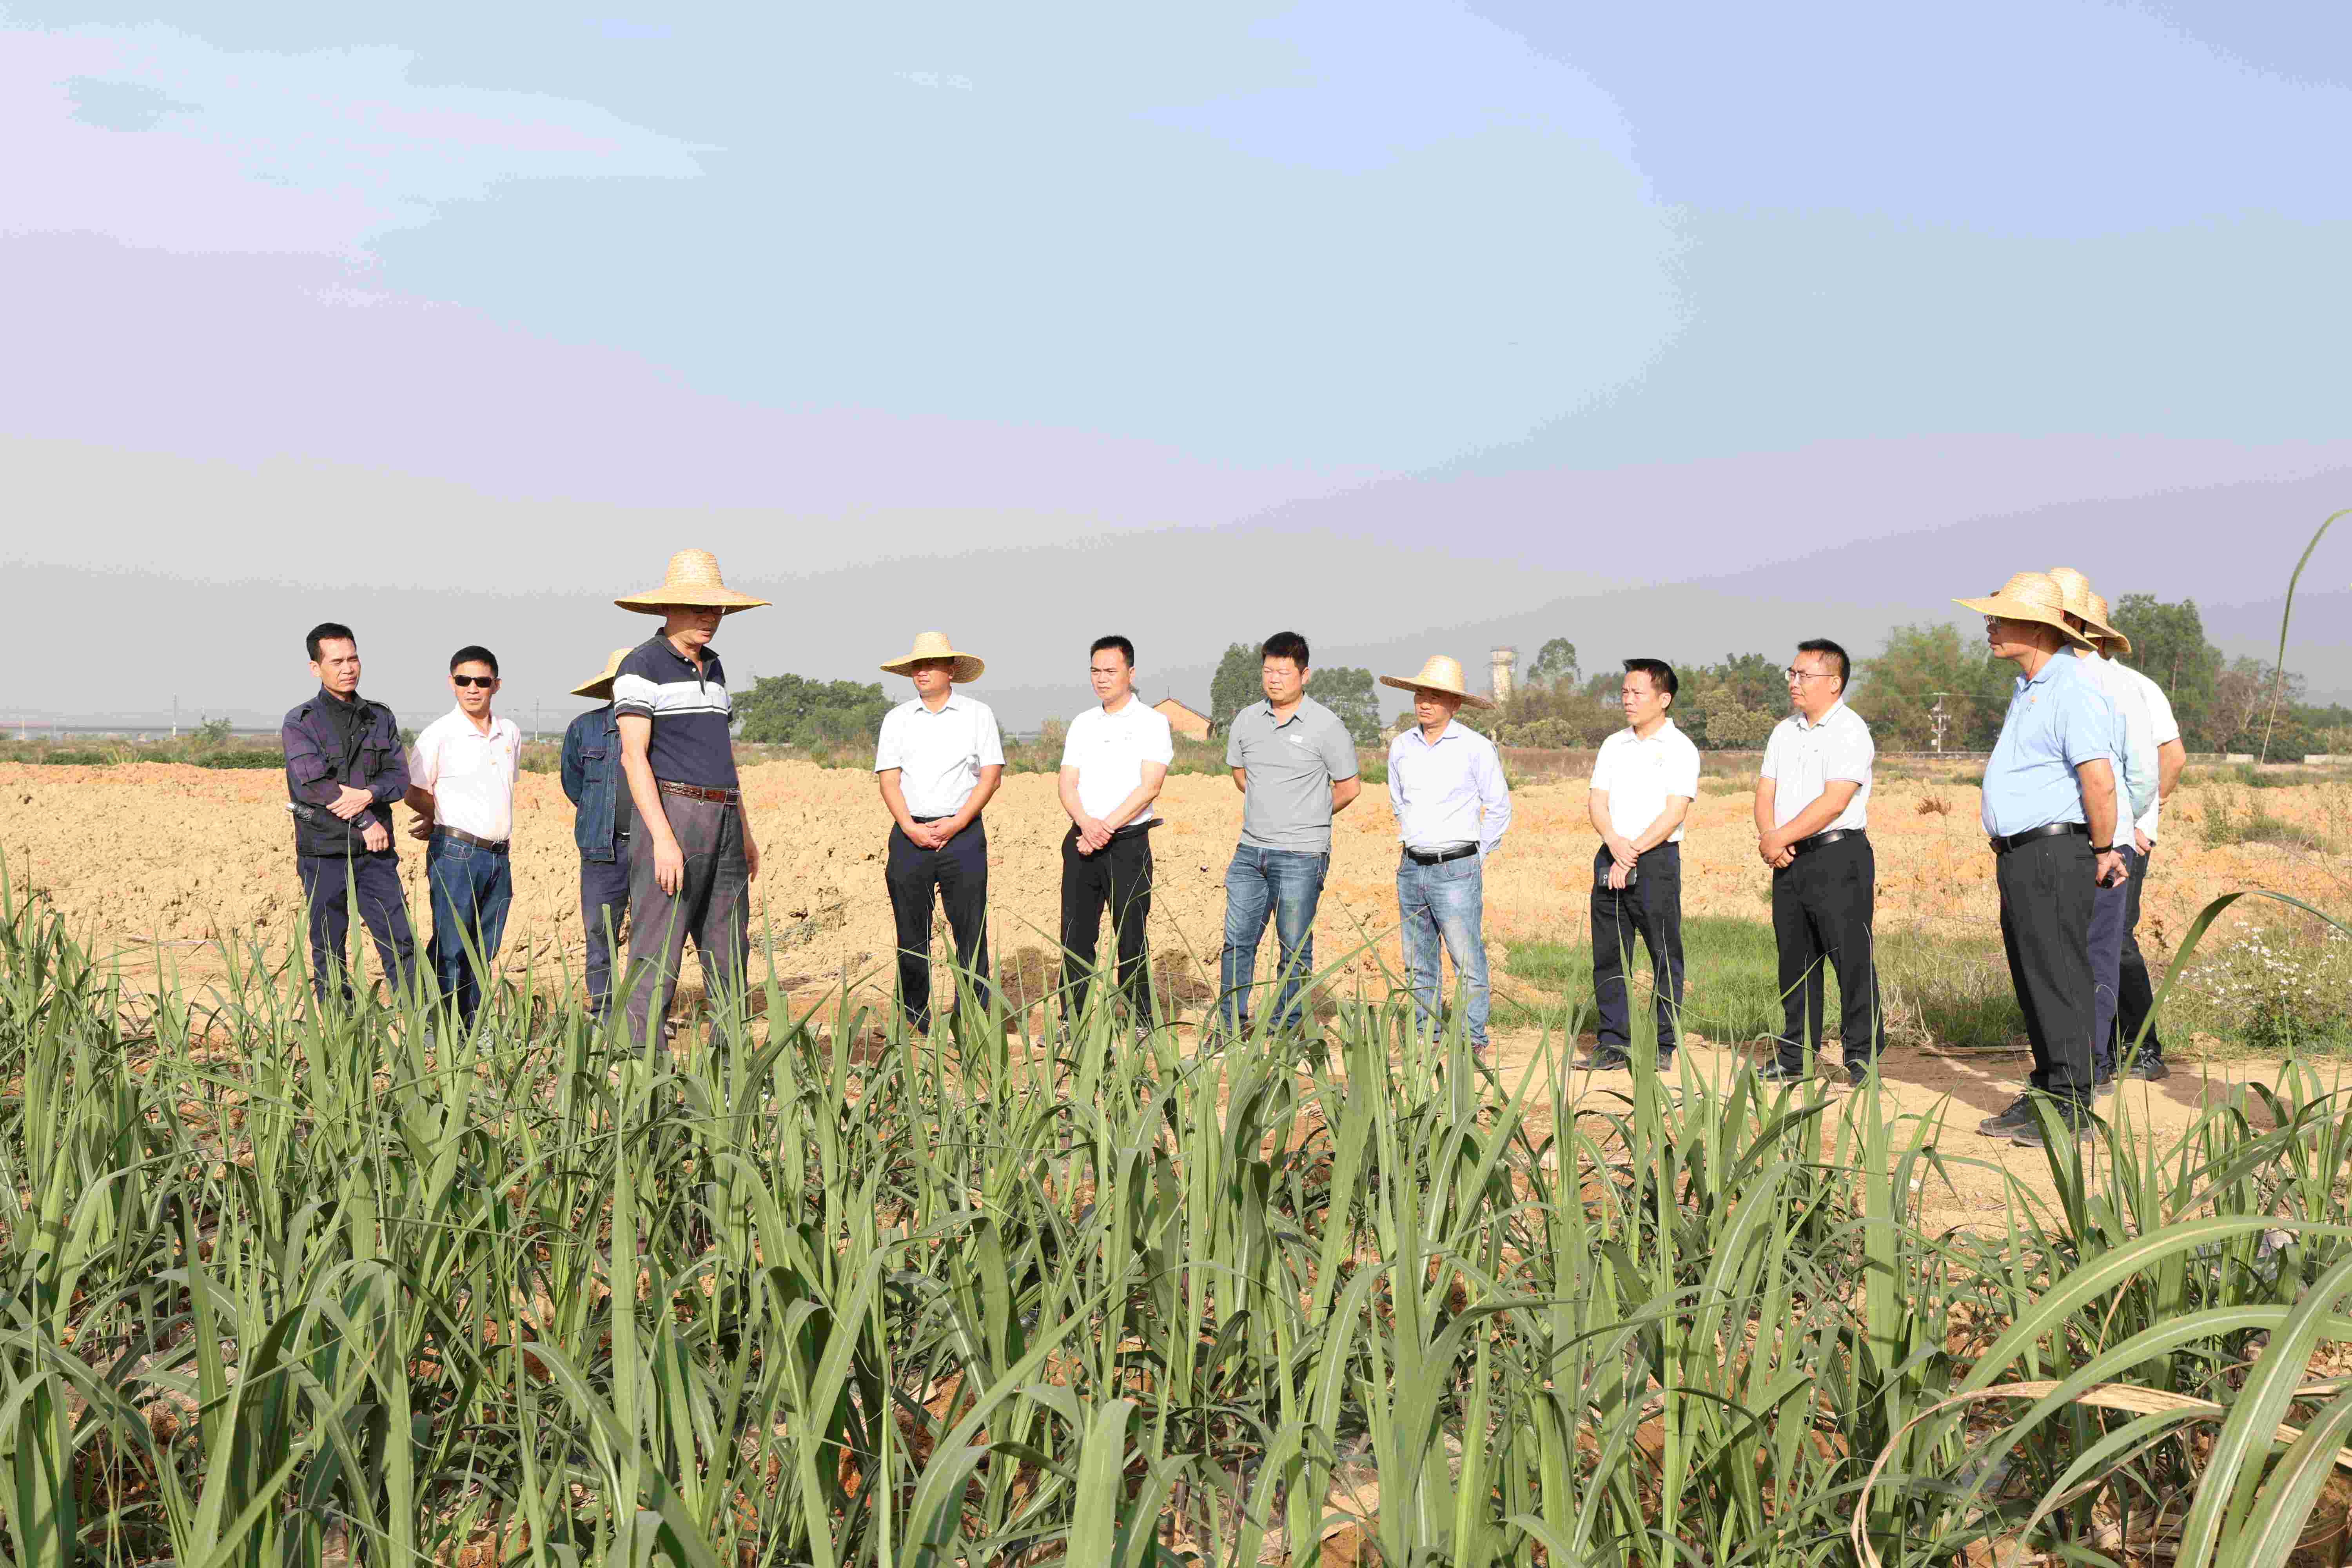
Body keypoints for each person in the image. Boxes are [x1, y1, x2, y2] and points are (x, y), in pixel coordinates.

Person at [1953, 571, 2125, 1147]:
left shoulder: (2070, 688)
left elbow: (2098, 779)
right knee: (2035, 979)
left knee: (2059, 977)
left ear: (2037, 628)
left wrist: (2104, 849)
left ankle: (2073, 1104)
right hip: (2023, 854)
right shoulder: (2030, 689)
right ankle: (2049, 1091)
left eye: (2000, 618)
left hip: (2054, 851)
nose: (1990, 627)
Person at [610, 550, 769, 1049]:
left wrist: (744, 832)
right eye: (698, 606)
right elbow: (634, 757)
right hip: (675, 815)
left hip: (724, 817)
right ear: (667, 607)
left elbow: (723, 754)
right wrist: (663, 839)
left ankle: (732, 1069)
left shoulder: (715, 667)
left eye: (717, 608)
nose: (710, 616)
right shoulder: (641, 665)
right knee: (658, 952)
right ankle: (642, 1071)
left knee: (729, 950)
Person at [1214, 631, 1362, 1043]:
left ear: (1304, 674)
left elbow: (1349, 787)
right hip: (1250, 851)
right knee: (1237, 942)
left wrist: (1309, 816)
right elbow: (1242, 776)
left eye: (1283, 672)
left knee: (1294, 946)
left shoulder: (1327, 726)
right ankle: (1229, 1028)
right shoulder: (1247, 721)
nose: (1274, 679)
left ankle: (1287, 1029)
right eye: (1268, 671)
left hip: (1302, 855)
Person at [2046, 568, 2159, 1092]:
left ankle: (2092, 1062)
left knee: (2098, 953)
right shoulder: (2044, 682)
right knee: (2064, 953)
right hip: (2061, 842)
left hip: (2102, 842)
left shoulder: (2116, 685)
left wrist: (2119, 825)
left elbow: (2144, 772)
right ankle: (2070, 1059)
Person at [1753, 639, 1885, 1085]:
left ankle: (1862, 1059)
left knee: (1851, 959)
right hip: (1789, 860)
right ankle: (1796, 1055)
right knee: (1795, 962)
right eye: (1791, 673)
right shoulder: (1784, 732)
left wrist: (1780, 837)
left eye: (1803, 675)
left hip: (1838, 856)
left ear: (1834, 682)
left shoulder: (1851, 730)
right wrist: (1770, 838)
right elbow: (1766, 791)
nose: (1794, 682)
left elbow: (1835, 801)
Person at [1379, 654, 1510, 1062]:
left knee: (1465, 958)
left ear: (1455, 704)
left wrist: (1474, 856)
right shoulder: (1401, 746)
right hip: (1411, 866)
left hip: (1457, 867)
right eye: (1420, 694)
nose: (1425, 703)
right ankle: (1426, 1036)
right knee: (1418, 961)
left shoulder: (1475, 748)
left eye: (1435, 697)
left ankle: (1473, 1039)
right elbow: (1399, 802)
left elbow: (1499, 808)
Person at [874, 632, 1004, 1034]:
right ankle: (915, 1019)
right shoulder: (897, 719)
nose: (923, 672)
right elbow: (889, 780)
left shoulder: (977, 715)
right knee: (911, 932)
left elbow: (991, 776)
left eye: (931, 664)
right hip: (910, 835)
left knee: (971, 930)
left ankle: (973, 1018)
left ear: (951, 670)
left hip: (962, 835)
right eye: (917, 665)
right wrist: (910, 827)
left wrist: (958, 822)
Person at [282, 621, 417, 1006]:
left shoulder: (379, 717)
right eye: (337, 661)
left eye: (353, 659)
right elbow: (314, 784)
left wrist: (369, 794)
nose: (348, 668)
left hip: (375, 854)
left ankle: (422, 1024)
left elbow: (398, 777)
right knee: (329, 945)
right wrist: (365, 818)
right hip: (324, 851)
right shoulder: (301, 722)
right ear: (316, 668)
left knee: (400, 940)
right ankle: (336, 1026)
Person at [1580, 658, 1700, 1071]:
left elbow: (1675, 811)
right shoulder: (1614, 745)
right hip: (1611, 854)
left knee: (1664, 953)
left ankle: (1663, 1044)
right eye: (1624, 693)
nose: (1628, 700)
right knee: (1610, 954)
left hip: (1655, 860)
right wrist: (1614, 843)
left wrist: (1631, 852)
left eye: (1637, 693)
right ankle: (1613, 1043)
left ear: (1664, 699)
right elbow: (1597, 800)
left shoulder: (1680, 748)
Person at [1056, 635, 1173, 1034]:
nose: (1101, 678)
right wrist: (1087, 824)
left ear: (1131, 673)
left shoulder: (1152, 723)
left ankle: (1139, 1019)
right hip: (1082, 843)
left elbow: (1150, 786)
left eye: (1110, 670)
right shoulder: (1083, 723)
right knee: (1076, 935)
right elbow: (1067, 782)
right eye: (1095, 670)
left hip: (1128, 844)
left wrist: (1105, 828)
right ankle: (1072, 1019)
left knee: (1131, 936)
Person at [404, 646, 522, 1025]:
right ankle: (436, 1026)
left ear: (496, 685)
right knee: (452, 945)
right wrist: (439, 817)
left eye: (482, 681)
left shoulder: (510, 733)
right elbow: (413, 790)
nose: (473, 688)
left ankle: (472, 1026)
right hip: (456, 853)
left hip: (498, 856)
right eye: (464, 680)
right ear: (451, 683)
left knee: (484, 947)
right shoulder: (439, 734)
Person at [2093, 591, 2183, 1080]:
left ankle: (2143, 1046)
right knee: (2093, 940)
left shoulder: (2137, 688)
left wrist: (2143, 822)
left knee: (2117, 937)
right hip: (2090, 834)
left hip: (2127, 837)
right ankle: (2100, 1050)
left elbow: (2172, 758)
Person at [561, 648, 635, 1019]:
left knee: (653, 935)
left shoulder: (665, 729)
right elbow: (574, 785)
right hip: (602, 850)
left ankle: (643, 1016)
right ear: (611, 686)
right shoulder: (584, 728)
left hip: (653, 850)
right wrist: (601, 816)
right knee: (599, 932)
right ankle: (604, 1013)